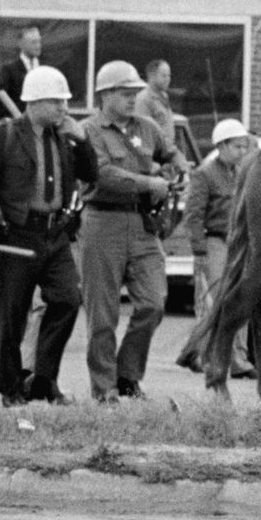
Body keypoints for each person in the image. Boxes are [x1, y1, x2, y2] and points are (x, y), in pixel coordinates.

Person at [0, 66, 97, 406]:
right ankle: (11, 387)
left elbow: (91, 174)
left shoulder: (64, 137)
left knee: (68, 299)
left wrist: (82, 141)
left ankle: (44, 378)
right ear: (35, 101)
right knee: (13, 314)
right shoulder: (5, 133)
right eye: (56, 102)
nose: (63, 109)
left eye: (64, 101)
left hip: (54, 234)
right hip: (17, 233)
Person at [80, 59, 188, 403]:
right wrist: (150, 182)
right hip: (103, 222)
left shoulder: (146, 127)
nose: (132, 98)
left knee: (153, 302)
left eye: (134, 92)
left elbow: (170, 152)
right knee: (103, 314)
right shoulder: (89, 131)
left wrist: (179, 167)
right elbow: (102, 174)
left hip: (143, 224)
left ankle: (127, 374)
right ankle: (104, 388)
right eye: (124, 93)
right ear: (104, 94)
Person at [174, 118, 254, 377]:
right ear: (221, 146)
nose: (242, 152)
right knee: (217, 300)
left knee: (239, 298)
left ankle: (197, 352)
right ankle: (231, 361)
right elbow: (193, 216)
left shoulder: (243, 173)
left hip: (238, 243)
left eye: (244, 147)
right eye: (237, 147)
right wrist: (199, 251)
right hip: (214, 242)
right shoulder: (204, 175)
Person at [0, 25, 43, 117]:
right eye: (33, 42)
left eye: (39, 42)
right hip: (18, 122)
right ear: (22, 45)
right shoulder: (9, 69)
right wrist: (18, 116)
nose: (38, 46)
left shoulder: (45, 68)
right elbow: (1, 93)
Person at [134, 59, 175, 132]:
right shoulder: (144, 99)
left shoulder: (164, 96)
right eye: (164, 76)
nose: (168, 79)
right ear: (151, 76)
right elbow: (141, 131)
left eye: (169, 75)